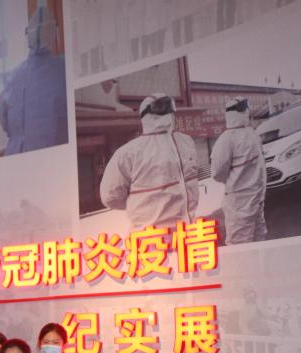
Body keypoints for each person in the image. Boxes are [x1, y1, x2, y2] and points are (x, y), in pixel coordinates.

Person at [99, 93, 199, 230]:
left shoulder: (186, 142)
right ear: (144, 114)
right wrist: (138, 202)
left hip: (187, 230)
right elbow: (110, 196)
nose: (165, 110)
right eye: (159, 107)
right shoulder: (129, 153)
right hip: (151, 236)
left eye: (167, 106)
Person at [0, 5, 68, 157]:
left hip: (16, 157)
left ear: (28, 35)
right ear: (53, 33)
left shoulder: (13, 76)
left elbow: (3, 117)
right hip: (53, 158)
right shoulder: (64, 68)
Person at [210, 96, 267, 244]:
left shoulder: (250, 133)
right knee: (240, 245)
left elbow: (218, 173)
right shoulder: (227, 139)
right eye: (244, 108)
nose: (246, 111)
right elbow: (217, 173)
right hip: (240, 204)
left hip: (255, 200)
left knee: (258, 240)